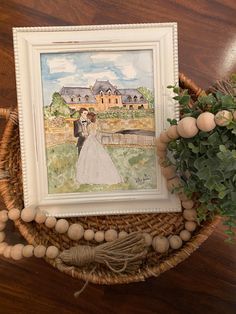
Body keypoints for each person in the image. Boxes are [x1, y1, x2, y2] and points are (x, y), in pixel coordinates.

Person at [76, 112, 123, 185]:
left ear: (89, 118)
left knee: (88, 158)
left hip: (89, 141)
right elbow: (95, 134)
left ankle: (89, 177)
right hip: (95, 141)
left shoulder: (89, 125)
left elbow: (86, 134)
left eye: (87, 118)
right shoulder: (95, 125)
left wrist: (84, 127)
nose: (87, 119)